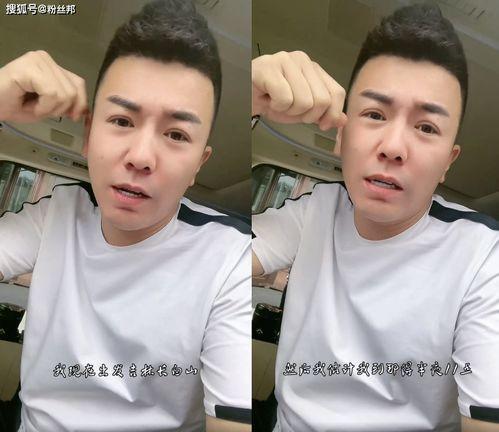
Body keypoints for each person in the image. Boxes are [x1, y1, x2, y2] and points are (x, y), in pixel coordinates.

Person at [0, 1, 251, 431]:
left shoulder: (232, 260)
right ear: (88, 135)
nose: (140, 157)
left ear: (199, 164)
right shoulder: (54, 215)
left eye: (176, 134)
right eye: (121, 120)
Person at [252, 4, 498, 432]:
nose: (394, 147)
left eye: (426, 127)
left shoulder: (483, 255)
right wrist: (247, 103)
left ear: (447, 162)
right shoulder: (315, 212)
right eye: (375, 115)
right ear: (341, 136)